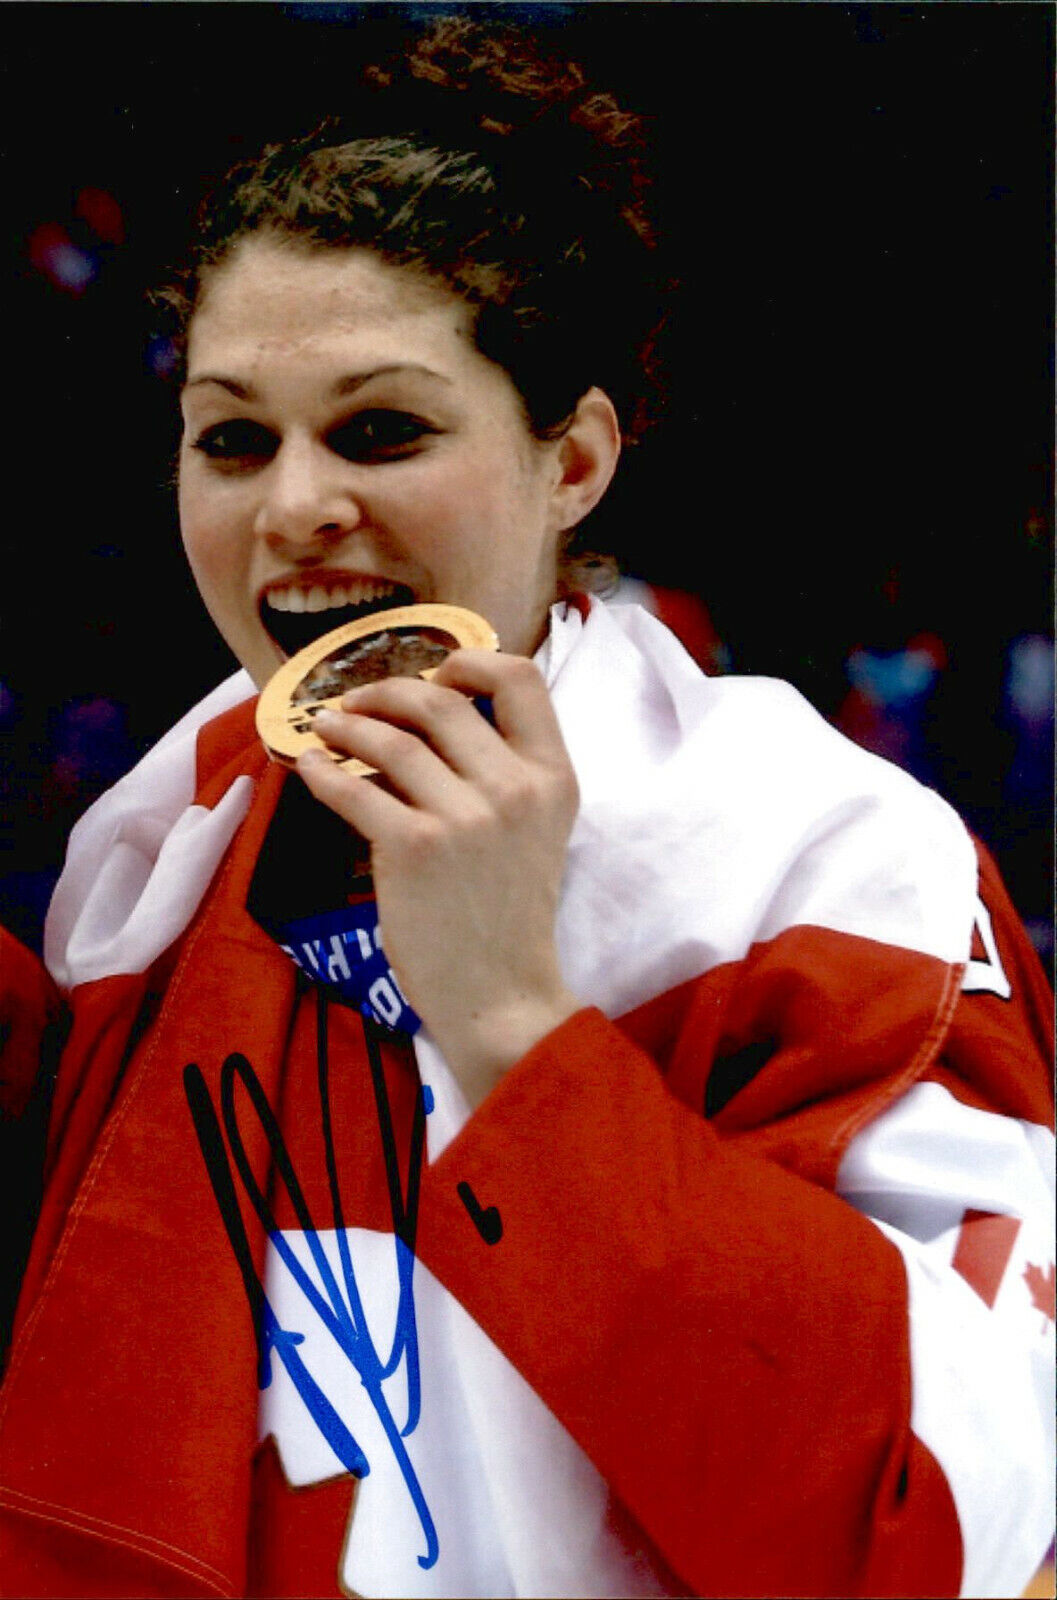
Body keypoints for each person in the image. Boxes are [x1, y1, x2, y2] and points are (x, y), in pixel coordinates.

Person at [0, 16, 1052, 1599]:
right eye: (231, 440)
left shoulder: (824, 866)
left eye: (381, 431)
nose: (293, 509)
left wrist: (510, 1021)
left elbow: (937, 1537)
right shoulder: (139, 862)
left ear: (572, 461)